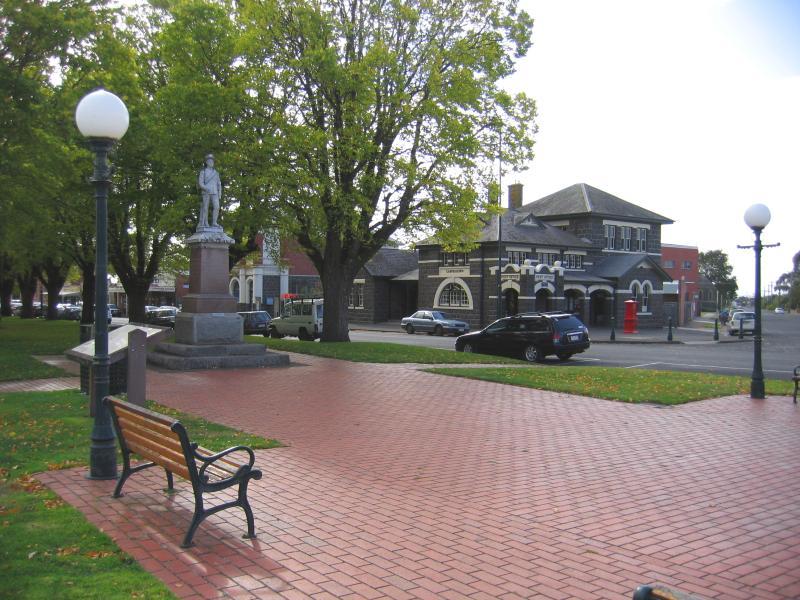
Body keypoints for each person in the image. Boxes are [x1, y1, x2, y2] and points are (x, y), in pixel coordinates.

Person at [198, 154, 222, 228]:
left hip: (215, 192)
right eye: (210, 161)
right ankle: (205, 222)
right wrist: (205, 188)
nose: (211, 162)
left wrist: (220, 192)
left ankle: (214, 222)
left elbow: (219, 183)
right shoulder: (203, 172)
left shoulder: (216, 173)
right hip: (206, 192)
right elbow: (200, 183)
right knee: (205, 208)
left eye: (212, 161)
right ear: (207, 162)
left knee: (217, 207)